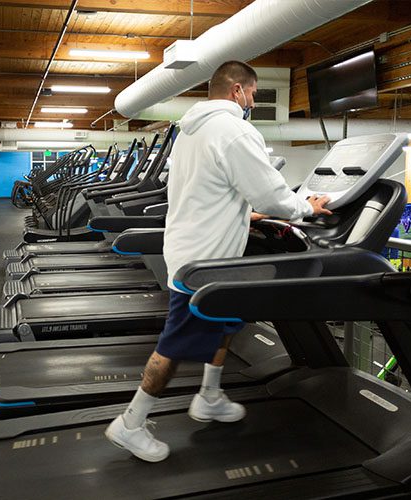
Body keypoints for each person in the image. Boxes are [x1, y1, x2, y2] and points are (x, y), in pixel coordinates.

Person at [105, 60, 332, 462]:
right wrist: (306, 208)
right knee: (174, 346)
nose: (253, 101)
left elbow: (211, 191)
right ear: (237, 91)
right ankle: (131, 423)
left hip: (204, 251)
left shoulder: (189, 132)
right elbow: (272, 196)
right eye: (253, 94)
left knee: (227, 323)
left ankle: (209, 396)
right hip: (204, 259)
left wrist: (250, 215)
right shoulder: (234, 130)